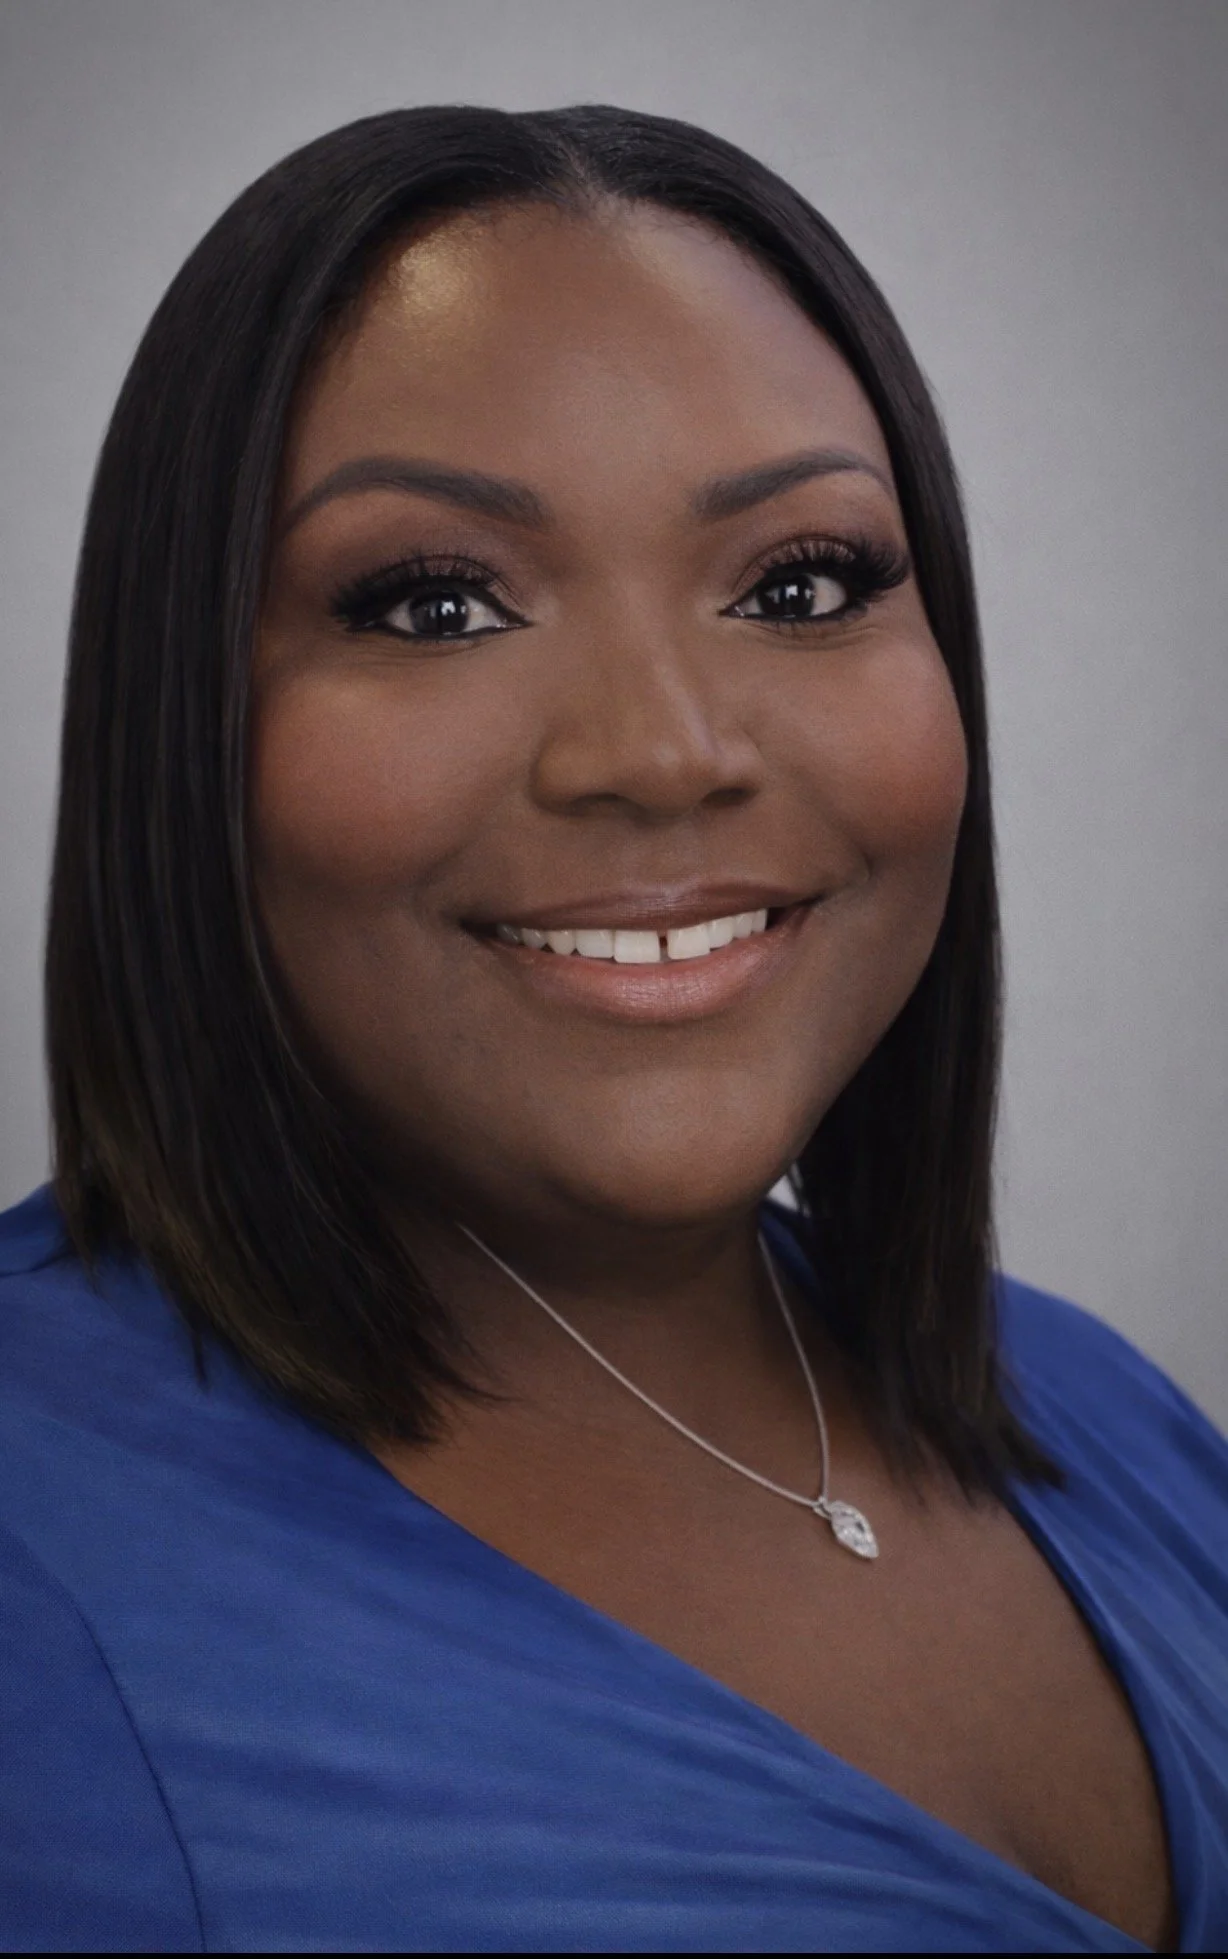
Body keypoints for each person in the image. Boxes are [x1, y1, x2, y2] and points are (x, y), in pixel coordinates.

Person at [1, 104, 1224, 1954]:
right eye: (435, 602)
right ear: (184, 727)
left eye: (801, 585)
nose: (662, 750)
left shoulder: (1109, 1416)